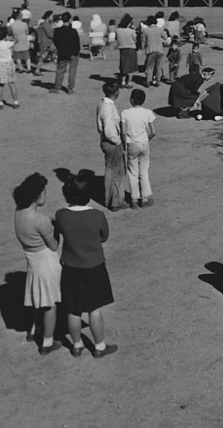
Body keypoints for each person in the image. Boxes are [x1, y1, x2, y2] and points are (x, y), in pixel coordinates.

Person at [53, 172, 118, 358]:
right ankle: (99, 346)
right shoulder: (96, 215)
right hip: (94, 267)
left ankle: (77, 344)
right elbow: (104, 236)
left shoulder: (61, 215)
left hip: (71, 267)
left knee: (73, 310)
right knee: (94, 309)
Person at [13, 173, 62, 355]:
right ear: (36, 196)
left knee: (39, 298)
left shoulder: (19, 212)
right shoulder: (40, 220)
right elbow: (54, 245)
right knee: (50, 304)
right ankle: (47, 343)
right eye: (44, 192)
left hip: (32, 260)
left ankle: (34, 330)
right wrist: (56, 230)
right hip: (46, 262)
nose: (45, 195)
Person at [120, 88, 157, 209]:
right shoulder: (148, 112)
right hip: (144, 143)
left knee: (132, 171)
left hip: (132, 144)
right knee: (144, 171)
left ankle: (134, 199)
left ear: (131, 100)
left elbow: (124, 133)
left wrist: (125, 145)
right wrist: (146, 139)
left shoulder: (125, 113)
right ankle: (145, 198)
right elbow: (153, 132)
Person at [97, 81, 128, 212]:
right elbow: (110, 131)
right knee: (118, 173)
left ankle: (108, 200)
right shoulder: (108, 108)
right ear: (116, 92)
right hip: (112, 143)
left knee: (110, 170)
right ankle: (116, 201)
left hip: (107, 142)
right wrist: (118, 142)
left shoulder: (102, 104)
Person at [0, 24, 19, 109]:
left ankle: (0, 102)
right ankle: (15, 102)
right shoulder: (7, 44)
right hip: (8, 63)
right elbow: (16, 40)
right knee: (11, 83)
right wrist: (9, 38)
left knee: (0, 84)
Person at [51, 12, 80, 94]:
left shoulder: (57, 31)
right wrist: (77, 51)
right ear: (69, 19)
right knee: (72, 71)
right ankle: (70, 88)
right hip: (73, 52)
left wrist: (59, 49)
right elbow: (77, 42)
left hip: (62, 52)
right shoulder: (73, 31)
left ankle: (57, 87)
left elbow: (55, 42)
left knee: (60, 70)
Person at [141, 16, 167, 88]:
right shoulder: (159, 29)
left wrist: (143, 47)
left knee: (149, 66)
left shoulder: (145, 30)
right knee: (158, 66)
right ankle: (157, 80)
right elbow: (165, 37)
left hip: (150, 50)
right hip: (159, 50)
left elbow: (143, 41)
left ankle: (148, 81)